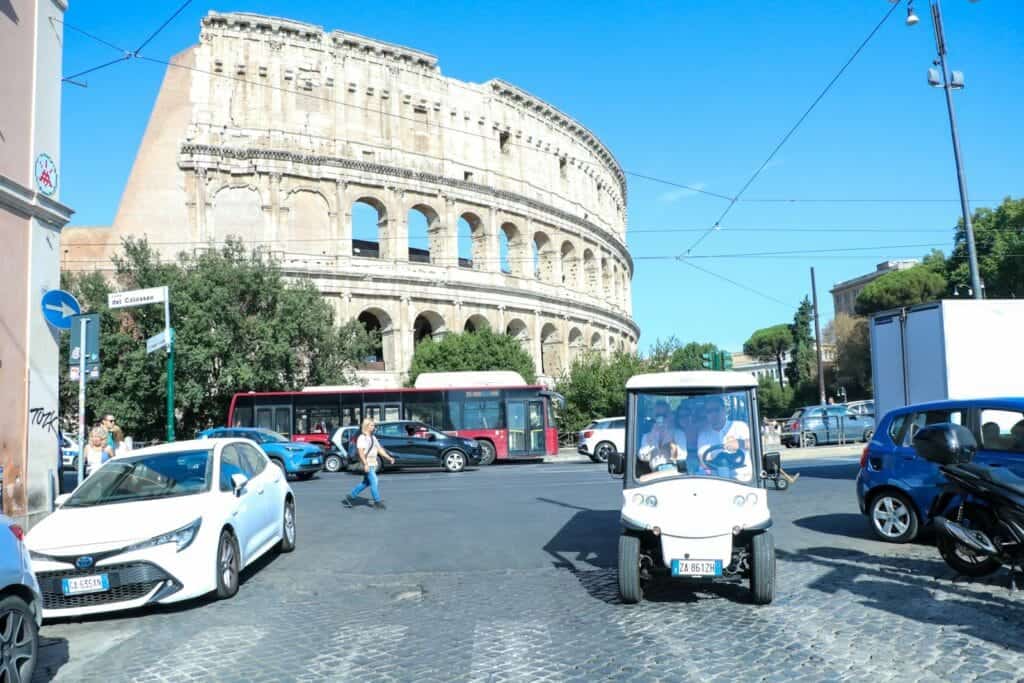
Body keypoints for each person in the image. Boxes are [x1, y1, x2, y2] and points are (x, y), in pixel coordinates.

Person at [343, 418, 395, 510]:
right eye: (372, 425)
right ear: (366, 426)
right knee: (374, 481)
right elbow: (361, 452)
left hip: (373, 463)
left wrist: (389, 457)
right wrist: (365, 464)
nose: (374, 427)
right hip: (367, 464)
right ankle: (377, 502)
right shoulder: (362, 438)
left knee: (366, 483)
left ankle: (350, 497)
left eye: (373, 425)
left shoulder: (373, 437)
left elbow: (379, 449)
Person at [698, 396, 752, 480]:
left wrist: (740, 443)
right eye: (709, 411)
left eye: (716, 409)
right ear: (706, 415)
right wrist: (708, 471)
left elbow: (754, 445)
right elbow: (703, 459)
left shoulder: (740, 426)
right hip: (717, 478)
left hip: (742, 477)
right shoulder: (704, 434)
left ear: (724, 410)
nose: (713, 414)